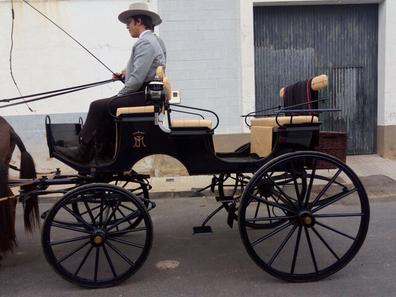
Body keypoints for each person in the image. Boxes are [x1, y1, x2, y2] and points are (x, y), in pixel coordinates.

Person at [57, 2, 166, 163]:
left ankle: (84, 151)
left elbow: (136, 80)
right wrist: (124, 73)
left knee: (98, 106)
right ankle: (102, 151)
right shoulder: (156, 40)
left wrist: (119, 96)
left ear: (139, 22)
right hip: (147, 94)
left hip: (143, 94)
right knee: (106, 106)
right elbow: (144, 69)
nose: (127, 27)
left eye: (129, 23)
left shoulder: (144, 42)